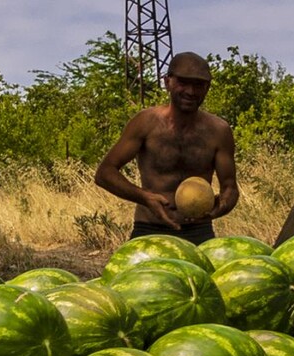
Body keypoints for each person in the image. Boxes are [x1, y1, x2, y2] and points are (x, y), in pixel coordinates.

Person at [94, 51, 239, 245]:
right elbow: (104, 173)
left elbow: (230, 187)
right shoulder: (145, 123)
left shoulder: (219, 131)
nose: (190, 91)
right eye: (183, 82)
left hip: (199, 233)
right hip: (149, 229)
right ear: (167, 82)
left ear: (207, 87)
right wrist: (145, 198)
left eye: (199, 85)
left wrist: (219, 207)